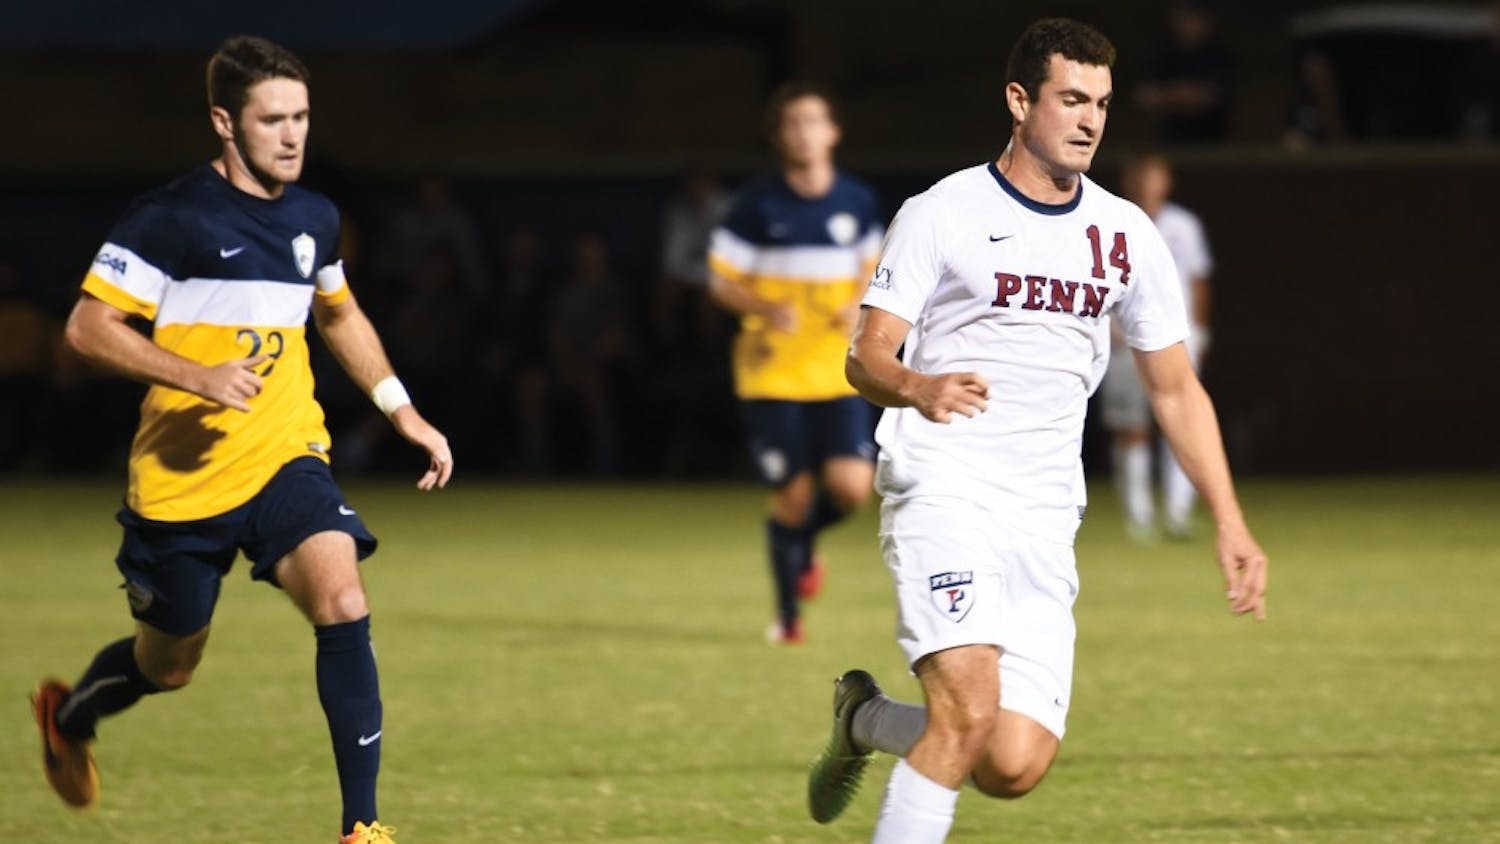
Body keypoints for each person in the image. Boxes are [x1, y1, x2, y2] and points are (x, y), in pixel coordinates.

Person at [805, 18, 1268, 843]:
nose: (1090, 120)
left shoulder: (1126, 234)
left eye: (1102, 103)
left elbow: (1175, 389)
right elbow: (865, 356)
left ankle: (865, 720)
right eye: (1071, 99)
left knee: (1010, 762)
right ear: (1020, 101)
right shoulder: (942, 211)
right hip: (944, 488)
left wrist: (1230, 519)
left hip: (1045, 514)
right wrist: (918, 384)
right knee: (967, 714)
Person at [30, 36, 452, 844]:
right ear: (225, 121)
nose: (292, 136)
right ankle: (70, 714)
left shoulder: (314, 216)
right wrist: (197, 375)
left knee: (343, 599)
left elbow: (338, 312)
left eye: (301, 117)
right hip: (182, 479)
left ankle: (362, 829)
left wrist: (403, 411)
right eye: (272, 120)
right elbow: (87, 331)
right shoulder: (171, 218)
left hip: (285, 454)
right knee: (169, 667)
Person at [707, 84, 884, 644]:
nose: (805, 133)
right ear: (780, 137)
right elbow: (719, 282)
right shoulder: (757, 204)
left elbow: (874, 270)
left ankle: (802, 544)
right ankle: (788, 620)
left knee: (855, 487)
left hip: (837, 370)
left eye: (814, 122)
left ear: (834, 131)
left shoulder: (856, 201)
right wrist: (763, 307)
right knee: (793, 495)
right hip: (773, 372)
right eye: (793, 124)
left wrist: (858, 302)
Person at [1099, 152, 1213, 540]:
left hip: (1176, 339)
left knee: (1182, 423)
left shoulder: (1183, 225)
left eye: (1155, 174)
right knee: (1132, 429)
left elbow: (1198, 278)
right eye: (1141, 174)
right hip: (1123, 341)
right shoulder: (1109, 219)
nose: (1148, 182)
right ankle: (1140, 518)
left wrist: (1199, 330)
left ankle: (1178, 515)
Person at [1134, 0, 1236, 145]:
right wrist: (1184, 94)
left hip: (1213, 146)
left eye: (1194, 16)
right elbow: (1144, 97)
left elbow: (1210, 97)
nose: (1188, 22)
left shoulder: (1219, 54)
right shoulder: (1164, 53)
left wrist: (1167, 96)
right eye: (1183, 16)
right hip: (1169, 144)